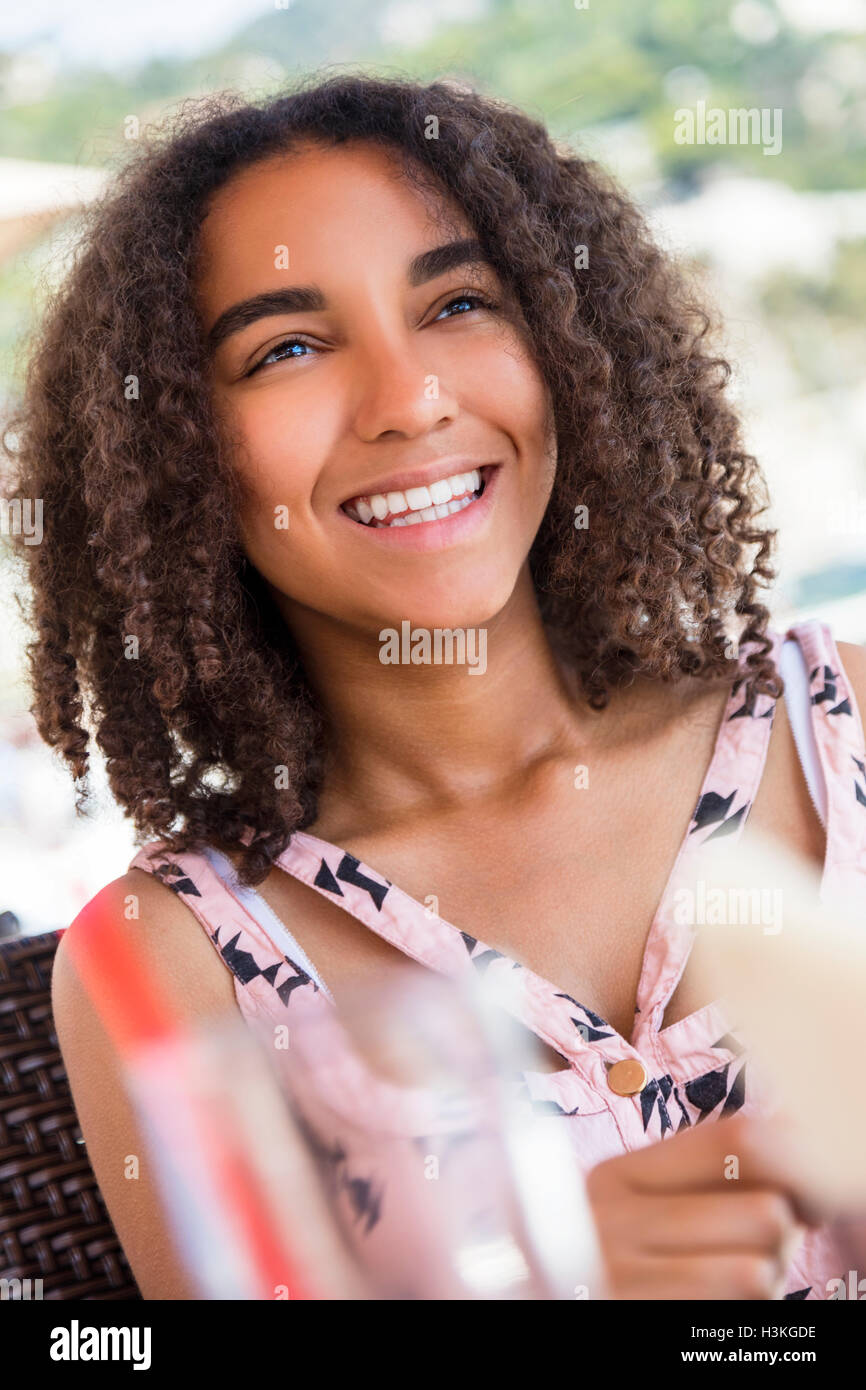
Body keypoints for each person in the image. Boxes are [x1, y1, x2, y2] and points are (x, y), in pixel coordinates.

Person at [7, 74, 866, 1300]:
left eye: (458, 302)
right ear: (176, 451)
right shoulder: (174, 961)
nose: (409, 400)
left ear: (568, 347)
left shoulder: (844, 729)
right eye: (286, 347)